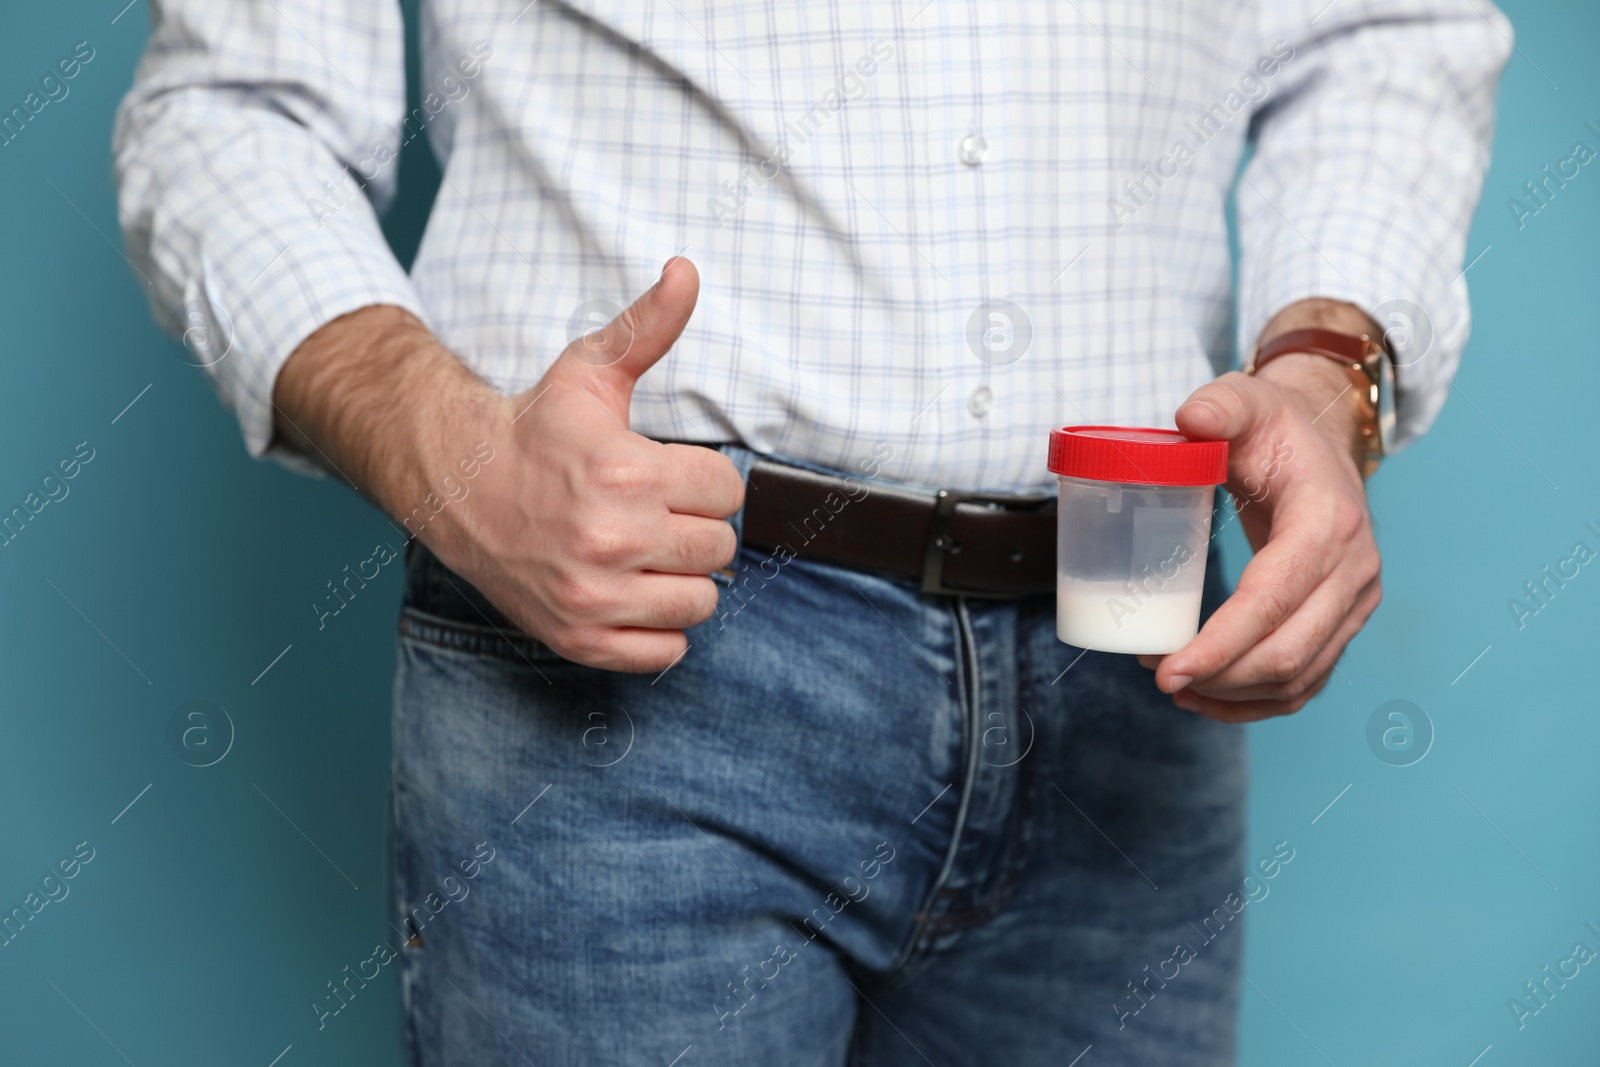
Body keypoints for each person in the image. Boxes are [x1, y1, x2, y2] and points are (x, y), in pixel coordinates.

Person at [114, 1, 1509, 1062]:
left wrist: (1330, 372)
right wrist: (447, 451)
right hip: (639, 654)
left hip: (1131, 635)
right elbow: (234, 105)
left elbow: (1385, 36)